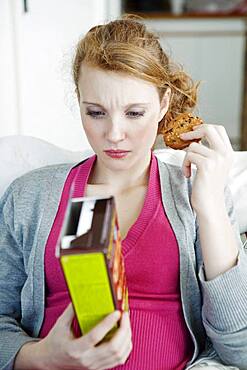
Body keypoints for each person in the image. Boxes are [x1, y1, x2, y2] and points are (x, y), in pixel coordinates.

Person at [0, 15, 247, 370]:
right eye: (96, 112)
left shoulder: (195, 191)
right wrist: (40, 358)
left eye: (134, 112)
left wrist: (209, 207)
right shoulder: (30, 196)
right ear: (79, 102)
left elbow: (240, 346)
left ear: (163, 104)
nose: (114, 134)